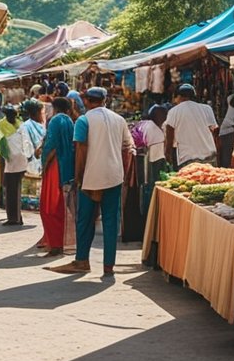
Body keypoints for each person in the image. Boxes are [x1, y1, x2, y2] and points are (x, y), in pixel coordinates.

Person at [48, 87, 132, 277]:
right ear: (105, 99)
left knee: (84, 220)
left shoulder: (84, 120)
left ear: (86, 100)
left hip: (91, 177)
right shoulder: (119, 120)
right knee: (111, 221)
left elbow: (81, 150)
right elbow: (127, 148)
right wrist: (123, 173)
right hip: (114, 176)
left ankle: (82, 260)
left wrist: (78, 177)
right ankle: (108, 266)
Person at [39, 95, 75, 256]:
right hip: (67, 166)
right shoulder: (70, 121)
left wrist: (44, 163)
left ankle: (55, 244)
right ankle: (57, 241)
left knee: (49, 206)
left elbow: (51, 145)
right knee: (61, 205)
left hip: (54, 166)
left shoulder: (55, 120)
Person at [4, 99, 45, 226]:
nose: (42, 115)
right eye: (41, 112)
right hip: (28, 162)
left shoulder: (28, 126)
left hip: (27, 162)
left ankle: (15, 217)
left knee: (15, 190)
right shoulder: (28, 126)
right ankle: (16, 217)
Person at [164, 83, 218, 167]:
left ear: (178, 96)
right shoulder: (207, 108)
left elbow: (169, 135)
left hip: (188, 158)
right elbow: (214, 131)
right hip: (210, 156)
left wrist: (168, 154)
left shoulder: (174, 111)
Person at [139, 104, 169, 214]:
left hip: (154, 157)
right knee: (155, 183)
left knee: (153, 184)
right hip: (156, 158)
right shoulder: (153, 127)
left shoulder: (150, 125)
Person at [0, 103, 19, 209]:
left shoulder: (18, 124)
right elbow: (2, 141)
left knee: (11, 180)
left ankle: (9, 203)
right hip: (7, 155)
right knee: (7, 180)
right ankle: (4, 201)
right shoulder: (2, 124)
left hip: (15, 156)